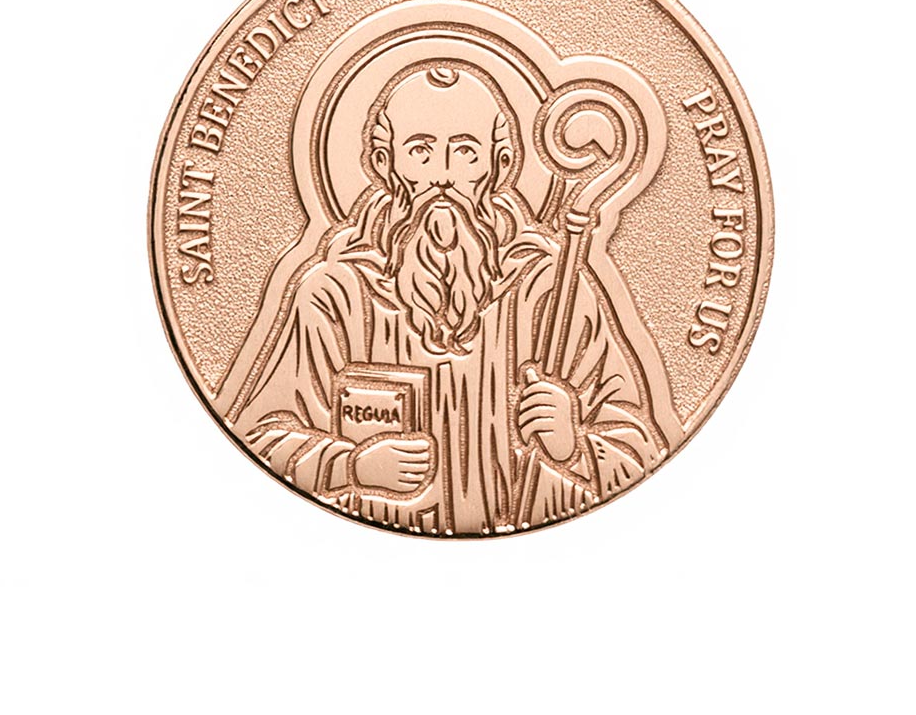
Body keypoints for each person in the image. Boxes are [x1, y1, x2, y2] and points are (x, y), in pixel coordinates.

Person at [236, 63, 673, 535]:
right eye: (420, 152)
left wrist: (575, 445)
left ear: (499, 165)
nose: (443, 177)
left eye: (465, 152)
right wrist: (352, 467)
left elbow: (642, 450)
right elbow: (263, 437)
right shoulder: (335, 295)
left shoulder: (548, 291)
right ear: (384, 163)